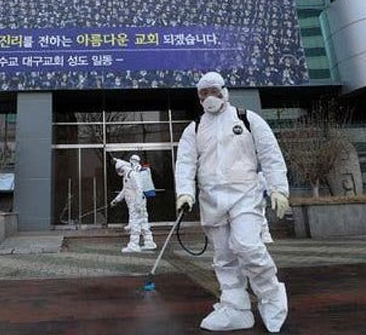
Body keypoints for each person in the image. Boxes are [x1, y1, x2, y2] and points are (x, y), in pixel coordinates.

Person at [175, 72, 290, 333]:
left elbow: (270, 155)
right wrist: (184, 193)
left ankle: (272, 298)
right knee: (224, 258)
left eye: (213, 91)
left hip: (244, 196)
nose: (209, 97)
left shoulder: (247, 119)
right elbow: (185, 163)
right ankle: (235, 309)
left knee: (248, 246)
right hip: (211, 199)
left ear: (224, 91)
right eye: (204, 93)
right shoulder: (194, 128)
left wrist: (279, 189)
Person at [111, 159, 157, 253]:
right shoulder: (127, 175)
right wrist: (116, 200)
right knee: (143, 223)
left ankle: (134, 245)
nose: (119, 172)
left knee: (134, 223)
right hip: (137, 203)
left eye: (119, 170)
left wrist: (138, 204)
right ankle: (149, 242)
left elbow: (139, 189)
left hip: (136, 204)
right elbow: (125, 190)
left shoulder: (133, 174)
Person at [259, 172, 274, 244]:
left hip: (259, 199)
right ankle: (265, 236)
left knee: (261, 217)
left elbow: (265, 189)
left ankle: (266, 236)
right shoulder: (260, 175)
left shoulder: (260, 175)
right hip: (257, 198)